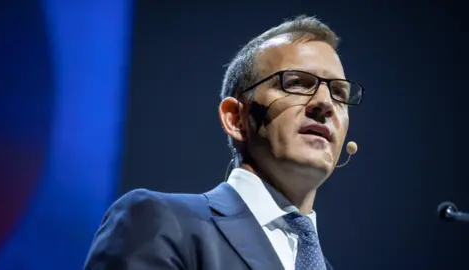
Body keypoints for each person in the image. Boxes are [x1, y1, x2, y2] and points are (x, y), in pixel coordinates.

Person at [83, 14, 364, 270]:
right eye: (297, 83)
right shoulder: (161, 222)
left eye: (339, 92)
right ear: (235, 118)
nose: (325, 103)